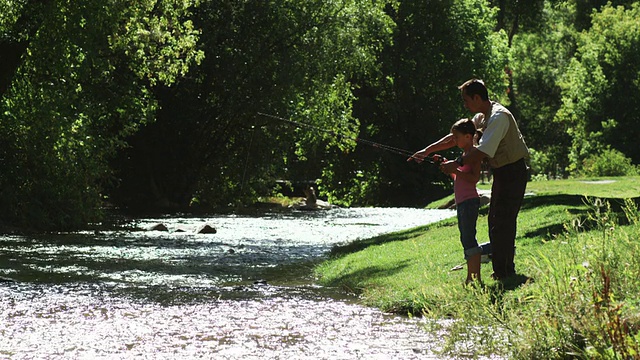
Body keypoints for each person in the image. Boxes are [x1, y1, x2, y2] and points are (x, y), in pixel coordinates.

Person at [410, 79, 529, 281]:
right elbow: (456, 137)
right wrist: (427, 150)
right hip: (501, 172)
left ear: (476, 97)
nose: (464, 104)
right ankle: (502, 270)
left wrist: (454, 164)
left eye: (466, 100)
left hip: (513, 171)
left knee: (503, 221)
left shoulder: (499, 117)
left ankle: (505, 272)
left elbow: (482, 152)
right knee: (495, 221)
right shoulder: (481, 117)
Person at [442, 118, 484, 284]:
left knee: (469, 238)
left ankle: (474, 278)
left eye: (456, 137)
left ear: (468, 137)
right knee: (465, 238)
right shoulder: (464, 155)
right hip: (462, 202)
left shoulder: (473, 154)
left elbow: (473, 178)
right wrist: (448, 168)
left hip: (469, 201)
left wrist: (456, 171)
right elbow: (460, 176)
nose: (454, 140)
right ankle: (471, 277)